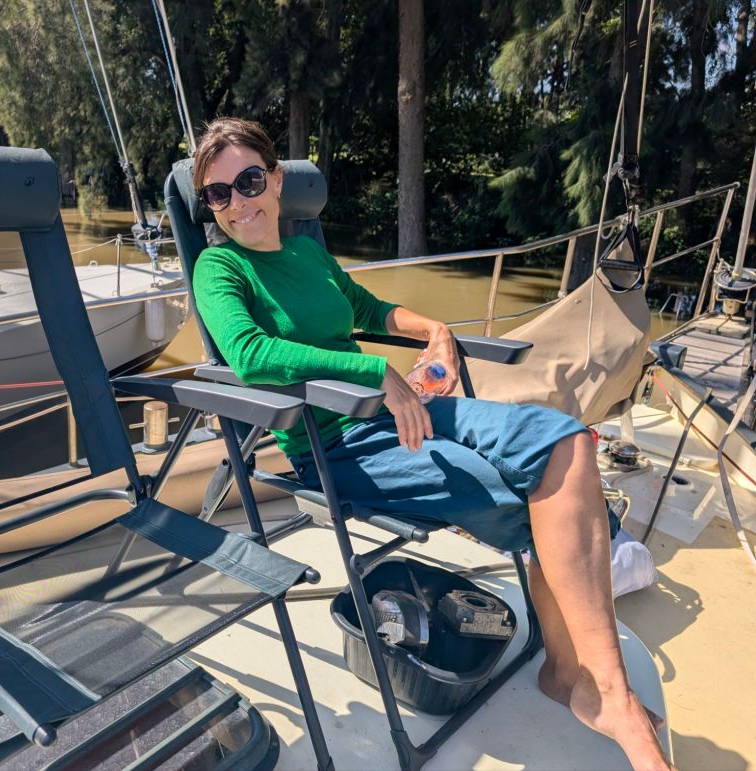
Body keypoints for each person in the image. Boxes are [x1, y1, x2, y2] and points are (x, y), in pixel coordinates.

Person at [190, 117, 673, 771]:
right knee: (539, 498)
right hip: (334, 446)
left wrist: (434, 328)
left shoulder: (307, 252)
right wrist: (374, 372)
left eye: (248, 181)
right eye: (217, 194)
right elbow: (249, 354)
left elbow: (366, 309)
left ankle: (580, 677)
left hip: (400, 411)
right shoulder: (219, 266)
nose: (236, 202)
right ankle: (593, 686)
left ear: (275, 181)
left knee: (567, 444)